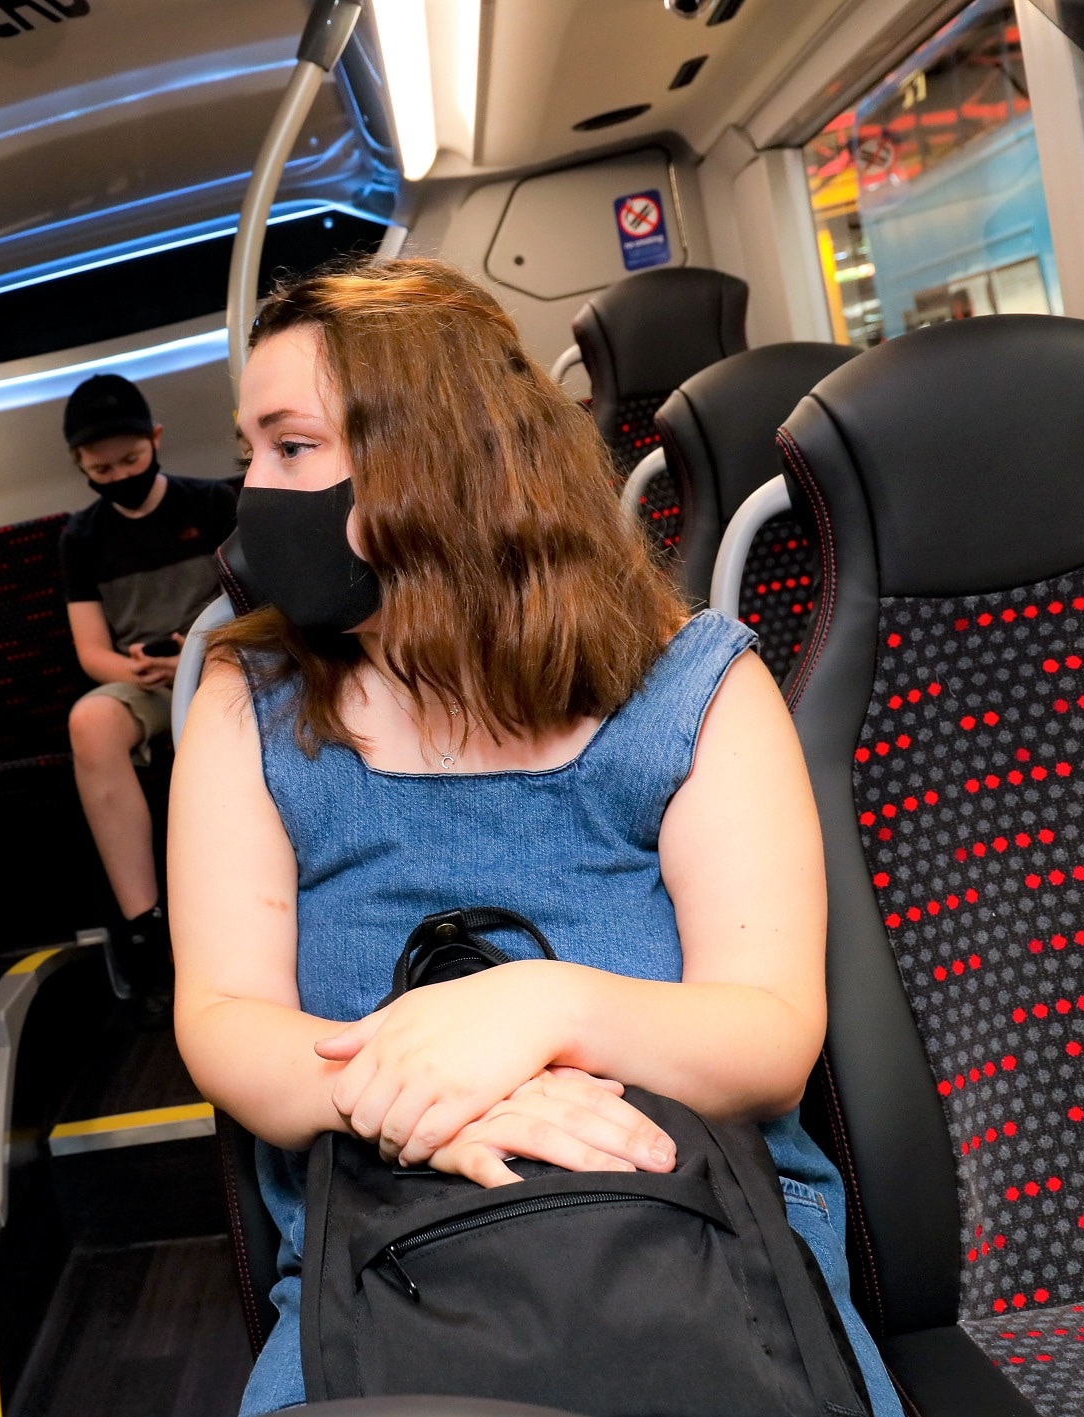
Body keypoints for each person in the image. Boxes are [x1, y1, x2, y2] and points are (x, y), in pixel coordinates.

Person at [167, 261, 900, 1417]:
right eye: (250, 449)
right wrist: (445, 1091)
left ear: (430, 457)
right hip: (390, 1237)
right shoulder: (244, 701)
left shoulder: (695, 686)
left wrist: (536, 1010)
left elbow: (765, 1039)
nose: (250, 488)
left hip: (701, 1225)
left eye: (290, 447)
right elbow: (222, 1020)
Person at [58, 373, 236, 988]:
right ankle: (146, 925)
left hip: (223, 662)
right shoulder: (80, 538)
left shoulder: (214, 503)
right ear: (80, 466)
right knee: (90, 720)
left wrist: (197, 654)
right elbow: (91, 652)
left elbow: (255, 610)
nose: (119, 477)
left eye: (130, 460)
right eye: (101, 471)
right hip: (144, 681)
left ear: (155, 441)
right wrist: (141, 669)